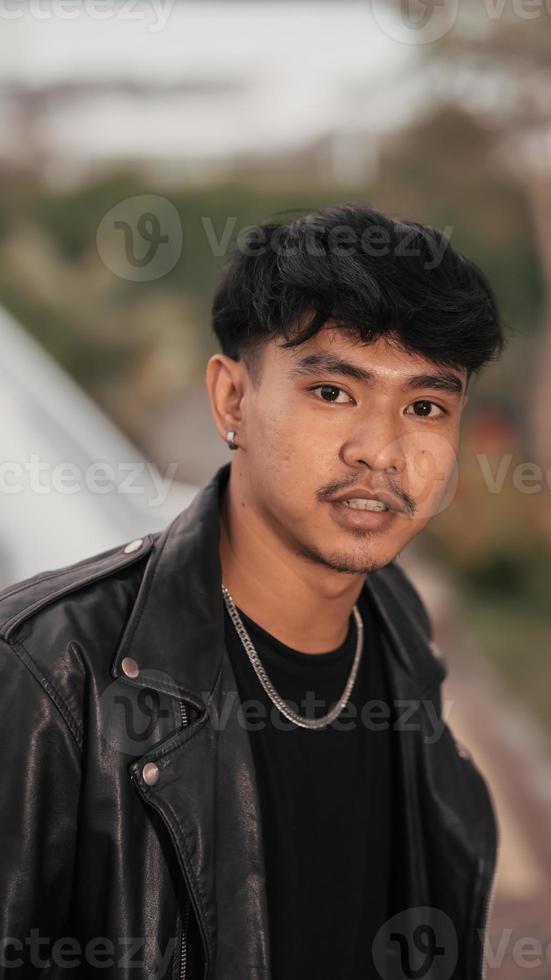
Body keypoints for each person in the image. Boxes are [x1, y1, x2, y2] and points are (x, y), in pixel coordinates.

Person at [0, 204, 505, 980]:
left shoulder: (400, 629)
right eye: (334, 392)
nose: (381, 450)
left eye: (426, 406)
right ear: (232, 400)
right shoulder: (51, 670)